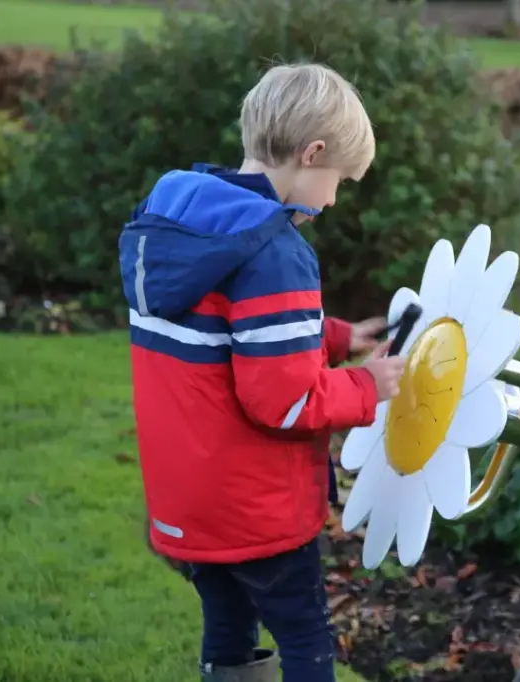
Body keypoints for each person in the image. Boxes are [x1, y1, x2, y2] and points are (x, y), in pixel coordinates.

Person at [117, 63, 406, 682]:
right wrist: (367, 386)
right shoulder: (276, 252)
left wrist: (335, 337)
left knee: (228, 627)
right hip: (256, 507)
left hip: (187, 500)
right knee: (305, 639)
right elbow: (284, 400)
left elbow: (224, 328)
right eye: (337, 182)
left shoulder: (180, 218)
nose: (331, 200)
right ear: (312, 153)